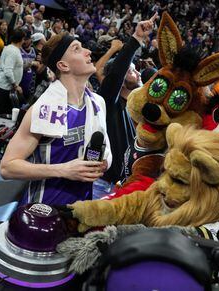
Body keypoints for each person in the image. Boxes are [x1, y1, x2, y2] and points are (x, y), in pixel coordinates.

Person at [0, 32, 112, 205]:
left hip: (82, 207)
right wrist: (64, 170)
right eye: (77, 49)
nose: (88, 51)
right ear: (63, 65)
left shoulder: (97, 103)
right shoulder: (42, 110)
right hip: (44, 208)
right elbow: (7, 167)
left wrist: (101, 163)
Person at [92, 13, 157, 198]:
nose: (136, 71)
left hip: (121, 187)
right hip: (100, 185)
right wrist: (136, 39)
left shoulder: (134, 110)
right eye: (130, 69)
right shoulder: (108, 102)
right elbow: (115, 73)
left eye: (136, 68)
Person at [0, 28, 25, 116]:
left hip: (6, 87)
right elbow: (8, 71)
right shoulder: (13, 51)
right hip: (3, 87)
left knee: (2, 113)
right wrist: (16, 85)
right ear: (21, 40)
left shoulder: (11, 48)